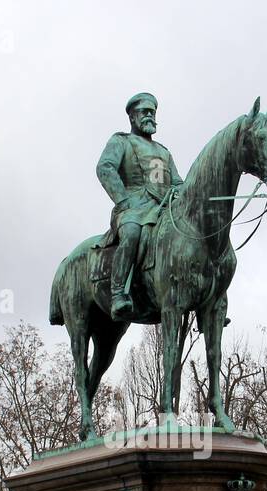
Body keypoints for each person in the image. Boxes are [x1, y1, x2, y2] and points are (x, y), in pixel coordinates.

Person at [96, 92, 183, 321]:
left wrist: (181, 192)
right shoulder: (121, 141)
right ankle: (118, 293)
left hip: (164, 210)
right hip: (133, 207)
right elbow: (105, 168)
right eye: (144, 112)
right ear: (132, 117)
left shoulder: (164, 152)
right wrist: (123, 201)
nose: (150, 116)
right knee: (133, 233)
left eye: (152, 112)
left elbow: (177, 182)